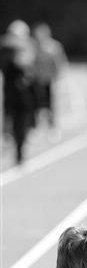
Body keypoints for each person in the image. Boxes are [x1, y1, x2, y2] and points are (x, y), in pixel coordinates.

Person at [0, 20, 36, 164]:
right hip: (11, 94)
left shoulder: (28, 48)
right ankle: (10, 143)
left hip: (24, 95)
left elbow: (31, 71)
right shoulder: (6, 51)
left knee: (21, 124)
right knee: (11, 122)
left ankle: (20, 151)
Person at [32, 22, 67, 129]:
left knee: (51, 104)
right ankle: (36, 125)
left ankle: (52, 126)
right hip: (37, 80)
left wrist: (58, 79)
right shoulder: (34, 46)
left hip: (50, 80)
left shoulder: (54, 46)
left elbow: (60, 63)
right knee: (36, 104)